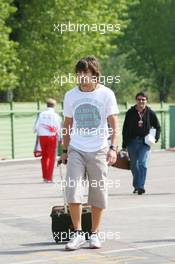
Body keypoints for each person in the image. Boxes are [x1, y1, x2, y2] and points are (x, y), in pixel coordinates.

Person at [60, 56, 119, 250]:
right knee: (73, 189)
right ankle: (77, 234)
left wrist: (113, 148)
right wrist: (64, 150)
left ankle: (94, 234)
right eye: (79, 73)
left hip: (100, 149)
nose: (82, 77)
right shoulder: (70, 95)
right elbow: (67, 125)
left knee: (98, 192)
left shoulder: (106, 94)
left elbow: (113, 123)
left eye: (86, 73)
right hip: (76, 148)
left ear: (95, 75)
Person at [122, 92, 161, 195]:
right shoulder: (130, 112)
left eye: (143, 99)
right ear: (136, 100)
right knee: (134, 165)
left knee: (143, 164)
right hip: (132, 142)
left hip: (145, 142)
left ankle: (141, 187)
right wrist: (124, 145)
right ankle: (136, 185)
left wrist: (155, 138)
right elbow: (125, 129)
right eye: (139, 99)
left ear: (146, 101)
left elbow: (158, 127)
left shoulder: (150, 113)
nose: (141, 101)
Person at [35, 98, 60, 183]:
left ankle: (45, 177)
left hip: (42, 137)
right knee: (52, 157)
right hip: (52, 137)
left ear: (47, 105)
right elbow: (58, 128)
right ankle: (49, 177)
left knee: (44, 157)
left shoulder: (41, 114)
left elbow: (36, 127)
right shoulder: (56, 115)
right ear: (54, 106)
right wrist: (60, 138)